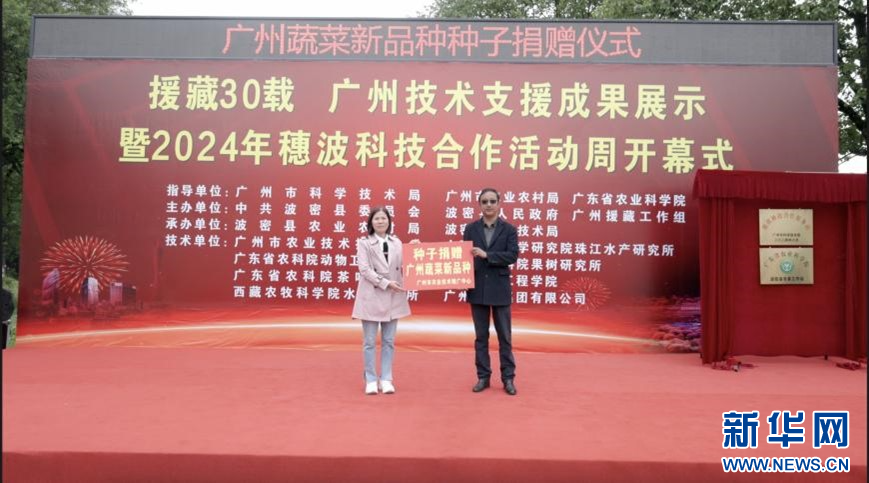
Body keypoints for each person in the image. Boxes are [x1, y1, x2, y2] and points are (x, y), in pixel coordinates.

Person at [463, 188, 519, 395]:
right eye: (484, 201)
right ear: (479, 205)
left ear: (499, 203)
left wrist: (487, 255)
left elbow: (512, 255)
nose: (488, 205)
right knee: (481, 337)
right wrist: (460, 276)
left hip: (500, 289)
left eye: (492, 201)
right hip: (477, 288)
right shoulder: (470, 229)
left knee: (505, 337)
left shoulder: (509, 229)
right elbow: (463, 257)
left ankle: (508, 378)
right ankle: (483, 377)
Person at [352, 207, 410, 395]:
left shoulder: (397, 242)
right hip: (372, 296)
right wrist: (386, 283)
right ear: (371, 222)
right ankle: (370, 379)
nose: (380, 221)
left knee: (389, 341)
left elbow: (406, 262)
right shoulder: (364, 243)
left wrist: (414, 249)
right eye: (376, 218)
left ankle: (386, 379)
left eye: (383, 218)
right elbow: (364, 269)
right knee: (369, 341)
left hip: (393, 297)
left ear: (389, 221)